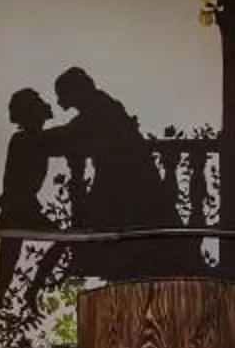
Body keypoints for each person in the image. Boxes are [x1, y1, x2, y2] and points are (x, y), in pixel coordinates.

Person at [50, 66, 174, 230]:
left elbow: (71, 133)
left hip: (125, 184)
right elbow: (74, 130)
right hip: (121, 181)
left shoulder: (100, 108)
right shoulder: (102, 105)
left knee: (92, 225)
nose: (59, 101)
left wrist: (35, 137)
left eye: (61, 94)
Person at [0, 87, 60, 321]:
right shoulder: (25, 139)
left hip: (21, 209)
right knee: (5, 274)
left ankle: (32, 290)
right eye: (38, 104)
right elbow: (54, 141)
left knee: (63, 240)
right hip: (18, 209)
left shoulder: (34, 138)